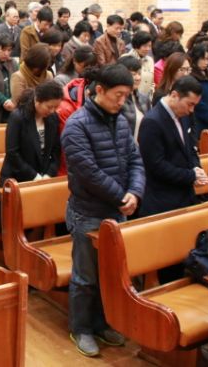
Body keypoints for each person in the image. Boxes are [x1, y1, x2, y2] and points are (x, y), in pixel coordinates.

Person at [62, 64, 144, 357]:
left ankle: (100, 322)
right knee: (85, 276)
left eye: (126, 95)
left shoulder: (119, 120)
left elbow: (135, 159)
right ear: (99, 90)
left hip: (116, 210)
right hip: (88, 211)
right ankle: (81, 328)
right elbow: (88, 173)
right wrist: (121, 196)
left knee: (108, 273)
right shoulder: (77, 125)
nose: (122, 101)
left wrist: (135, 192)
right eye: (118, 95)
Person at [140, 76, 207, 217]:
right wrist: (191, 175)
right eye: (190, 104)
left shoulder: (184, 115)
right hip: (163, 201)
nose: (191, 110)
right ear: (175, 95)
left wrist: (196, 167)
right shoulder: (152, 122)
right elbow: (156, 165)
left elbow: (190, 148)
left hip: (185, 196)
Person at [0, 80, 62, 184]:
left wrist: (49, 174)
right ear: (37, 100)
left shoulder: (53, 118)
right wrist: (34, 176)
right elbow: (12, 153)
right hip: (18, 178)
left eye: (55, 107)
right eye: (49, 107)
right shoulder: (18, 117)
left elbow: (56, 150)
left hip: (43, 177)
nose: (52, 111)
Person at [117, 56, 151, 140]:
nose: (138, 78)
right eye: (133, 74)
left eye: (139, 73)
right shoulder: (117, 100)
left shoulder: (144, 98)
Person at [189, 44, 208, 132]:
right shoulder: (191, 77)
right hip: (200, 119)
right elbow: (197, 102)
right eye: (203, 59)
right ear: (196, 58)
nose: (206, 62)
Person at [122, 31, 155, 98]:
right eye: (145, 46)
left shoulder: (150, 60)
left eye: (149, 46)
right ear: (137, 45)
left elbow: (151, 82)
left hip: (146, 99)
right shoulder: (125, 59)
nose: (148, 49)